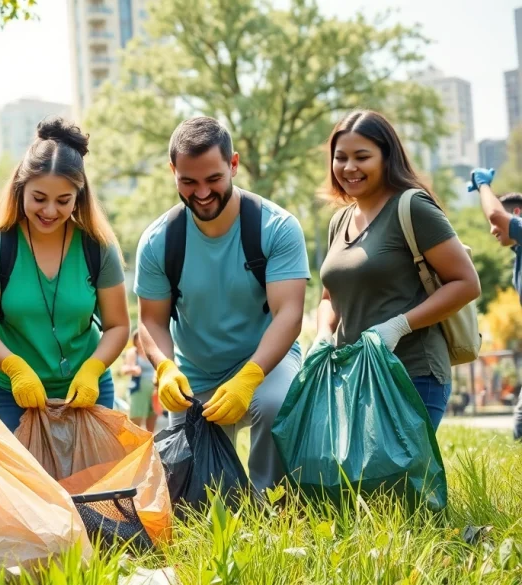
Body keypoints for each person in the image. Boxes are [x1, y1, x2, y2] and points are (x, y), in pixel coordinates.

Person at [135, 116, 309, 491]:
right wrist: (165, 368)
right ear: (173, 172)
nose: (201, 193)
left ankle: (274, 507)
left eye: (213, 179)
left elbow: (289, 314)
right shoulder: (158, 241)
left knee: (277, 404)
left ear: (233, 164)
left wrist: (249, 377)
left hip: (265, 365)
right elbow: (151, 322)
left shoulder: (276, 227)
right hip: (195, 376)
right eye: (188, 181)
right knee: (194, 493)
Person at [313, 110, 480, 429]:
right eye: (341, 157)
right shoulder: (340, 221)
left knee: (398, 480)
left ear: (386, 158)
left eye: (362, 157)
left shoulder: (412, 207)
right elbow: (328, 297)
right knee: (357, 480)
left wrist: (399, 325)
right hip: (354, 376)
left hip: (411, 374)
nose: (349, 167)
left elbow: (466, 282)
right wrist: (323, 333)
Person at [0, 118, 130, 433]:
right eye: (39, 198)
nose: (50, 211)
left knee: (92, 482)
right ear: (21, 189)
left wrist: (93, 369)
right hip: (11, 395)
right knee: (25, 483)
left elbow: (118, 325)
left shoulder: (98, 247)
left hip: (84, 393)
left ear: (79, 197)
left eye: (63, 201)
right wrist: (15, 369)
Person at [468, 168, 522, 440]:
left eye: (497, 225)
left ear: (516, 215)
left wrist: (483, 185)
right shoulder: (518, 255)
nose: (492, 230)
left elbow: (495, 216)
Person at [121, 330, 157, 431]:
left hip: (154, 390)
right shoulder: (133, 352)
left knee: (152, 419)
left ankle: (150, 444)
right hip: (138, 390)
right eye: (139, 339)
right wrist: (133, 369)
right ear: (135, 340)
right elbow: (124, 369)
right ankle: (136, 444)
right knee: (136, 420)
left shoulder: (152, 351)